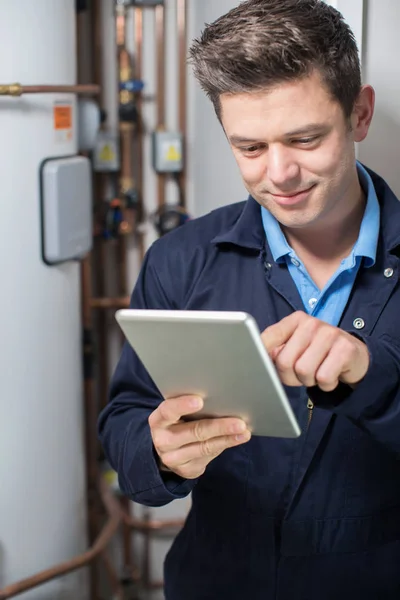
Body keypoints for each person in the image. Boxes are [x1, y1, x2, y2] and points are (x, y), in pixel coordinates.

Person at [98, 0, 400, 598]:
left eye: (305, 138)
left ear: (359, 114)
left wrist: (373, 378)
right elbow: (124, 422)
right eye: (250, 148)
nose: (280, 174)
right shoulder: (181, 258)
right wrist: (156, 451)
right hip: (216, 578)